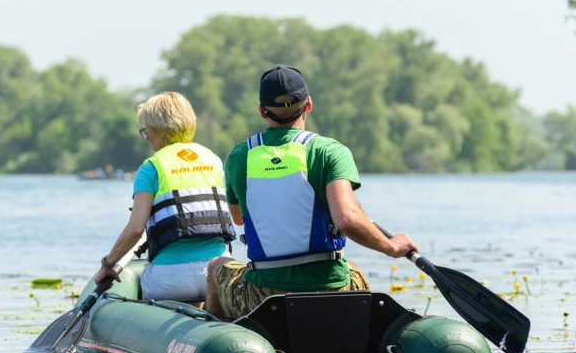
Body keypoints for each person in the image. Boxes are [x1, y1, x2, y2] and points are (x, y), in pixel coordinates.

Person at [205, 64, 418, 319]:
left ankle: (227, 341)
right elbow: (347, 219)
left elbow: (239, 218)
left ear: (262, 110)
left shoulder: (239, 156)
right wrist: (391, 246)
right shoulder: (330, 151)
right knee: (350, 269)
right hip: (330, 290)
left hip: (262, 297)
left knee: (216, 267)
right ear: (308, 105)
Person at [94, 91, 235, 303]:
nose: (146, 138)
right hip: (218, 273)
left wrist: (107, 264)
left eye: (146, 131)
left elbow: (135, 230)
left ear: (158, 130)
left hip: (171, 279)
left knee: (147, 282)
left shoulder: (151, 168)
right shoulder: (214, 160)